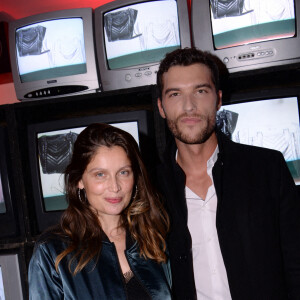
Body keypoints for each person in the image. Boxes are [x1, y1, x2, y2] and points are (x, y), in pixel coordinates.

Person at [156, 47, 300, 300]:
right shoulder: (150, 187)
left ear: (218, 99)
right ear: (161, 106)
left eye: (200, 91)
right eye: (175, 94)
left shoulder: (267, 167)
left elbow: (295, 260)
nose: (189, 106)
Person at [28, 123, 172, 300]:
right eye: (100, 175)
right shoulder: (52, 251)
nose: (115, 187)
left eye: (123, 172)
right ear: (80, 180)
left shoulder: (153, 238)